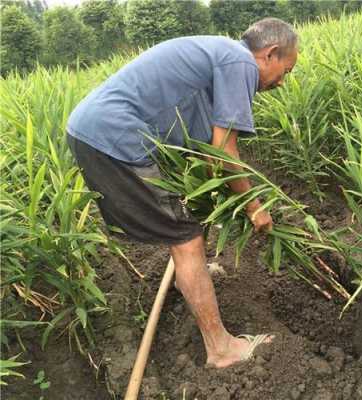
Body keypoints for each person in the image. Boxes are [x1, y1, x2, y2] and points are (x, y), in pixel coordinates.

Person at [66, 18, 298, 368]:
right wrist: (254, 207)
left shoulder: (219, 53)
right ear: (270, 53)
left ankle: (186, 279)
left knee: (185, 212)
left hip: (96, 130)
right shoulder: (239, 63)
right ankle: (220, 349)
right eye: (286, 70)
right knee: (186, 238)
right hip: (115, 137)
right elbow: (223, 152)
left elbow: (208, 155)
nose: (283, 82)